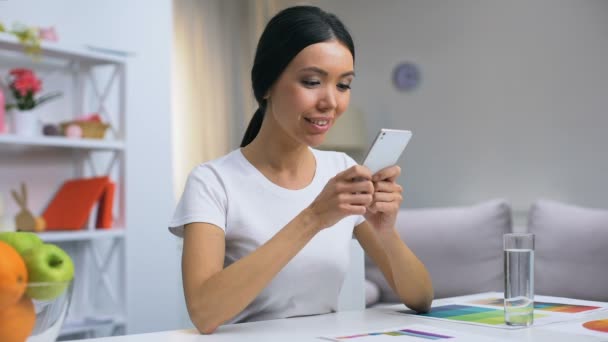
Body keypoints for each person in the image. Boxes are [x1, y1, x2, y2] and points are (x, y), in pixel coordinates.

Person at [169, 5, 433, 334]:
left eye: (343, 85)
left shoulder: (342, 170)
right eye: (312, 82)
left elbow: (421, 299)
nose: (330, 102)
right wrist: (313, 218)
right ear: (267, 84)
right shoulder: (212, 182)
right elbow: (203, 313)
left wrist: (386, 231)